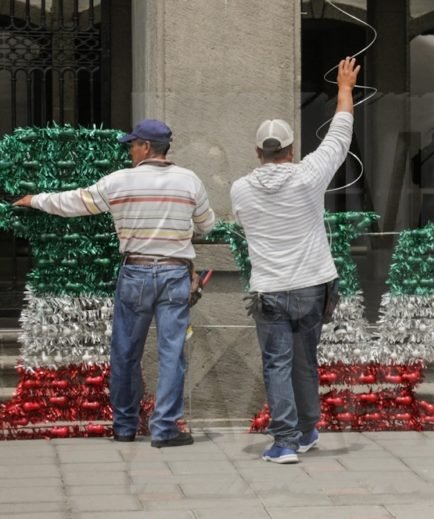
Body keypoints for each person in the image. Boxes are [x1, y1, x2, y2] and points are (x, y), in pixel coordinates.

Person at [14, 119, 216, 448]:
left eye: (132, 145)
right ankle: (164, 428)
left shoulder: (120, 182)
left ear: (147, 148)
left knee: (125, 353)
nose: (129, 150)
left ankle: (124, 426)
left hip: (135, 272)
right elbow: (207, 224)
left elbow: (75, 202)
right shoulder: (189, 181)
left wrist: (36, 199)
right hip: (173, 273)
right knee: (171, 352)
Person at [230, 57, 360, 465]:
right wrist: (344, 89)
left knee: (277, 365)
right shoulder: (308, 176)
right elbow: (339, 137)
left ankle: (285, 440)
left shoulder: (240, 190)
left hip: (270, 290)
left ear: (257, 152)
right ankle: (307, 430)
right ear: (291, 150)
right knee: (306, 360)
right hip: (313, 286)